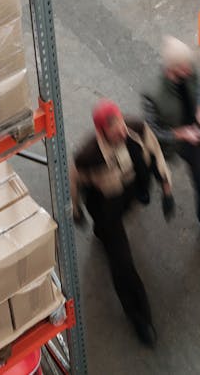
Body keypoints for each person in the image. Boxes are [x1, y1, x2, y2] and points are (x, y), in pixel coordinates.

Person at [71, 99, 175, 347]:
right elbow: (75, 183)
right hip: (106, 203)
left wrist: (167, 189)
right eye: (112, 128)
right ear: (101, 132)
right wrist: (76, 210)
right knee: (122, 264)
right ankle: (139, 316)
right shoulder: (88, 156)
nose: (120, 130)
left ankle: (104, 232)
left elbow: (156, 153)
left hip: (129, 189)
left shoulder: (137, 129)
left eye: (119, 122)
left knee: (142, 164)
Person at [142, 36, 200, 251]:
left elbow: (198, 88)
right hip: (167, 143)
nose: (190, 71)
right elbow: (152, 131)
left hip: (192, 137)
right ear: (171, 70)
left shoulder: (189, 70)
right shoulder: (152, 93)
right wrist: (178, 134)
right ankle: (141, 186)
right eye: (184, 68)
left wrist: (199, 109)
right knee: (149, 167)